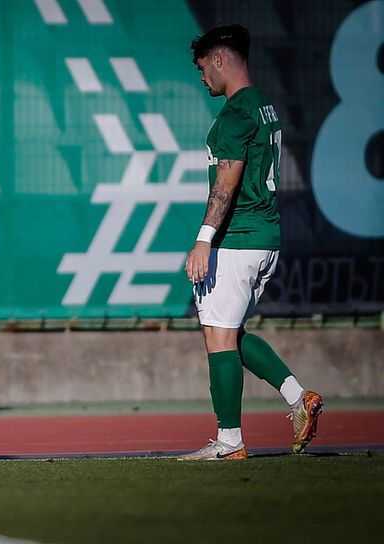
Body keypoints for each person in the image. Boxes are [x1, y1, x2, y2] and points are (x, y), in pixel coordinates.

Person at [179, 24, 323, 461]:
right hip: (265, 238)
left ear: (220, 60)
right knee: (232, 334)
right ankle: (300, 399)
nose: (202, 78)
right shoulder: (264, 107)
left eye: (204, 68)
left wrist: (204, 240)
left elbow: (225, 183)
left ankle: (229, 442)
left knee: (218, 339)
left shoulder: (235, 114)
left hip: (237, 240)